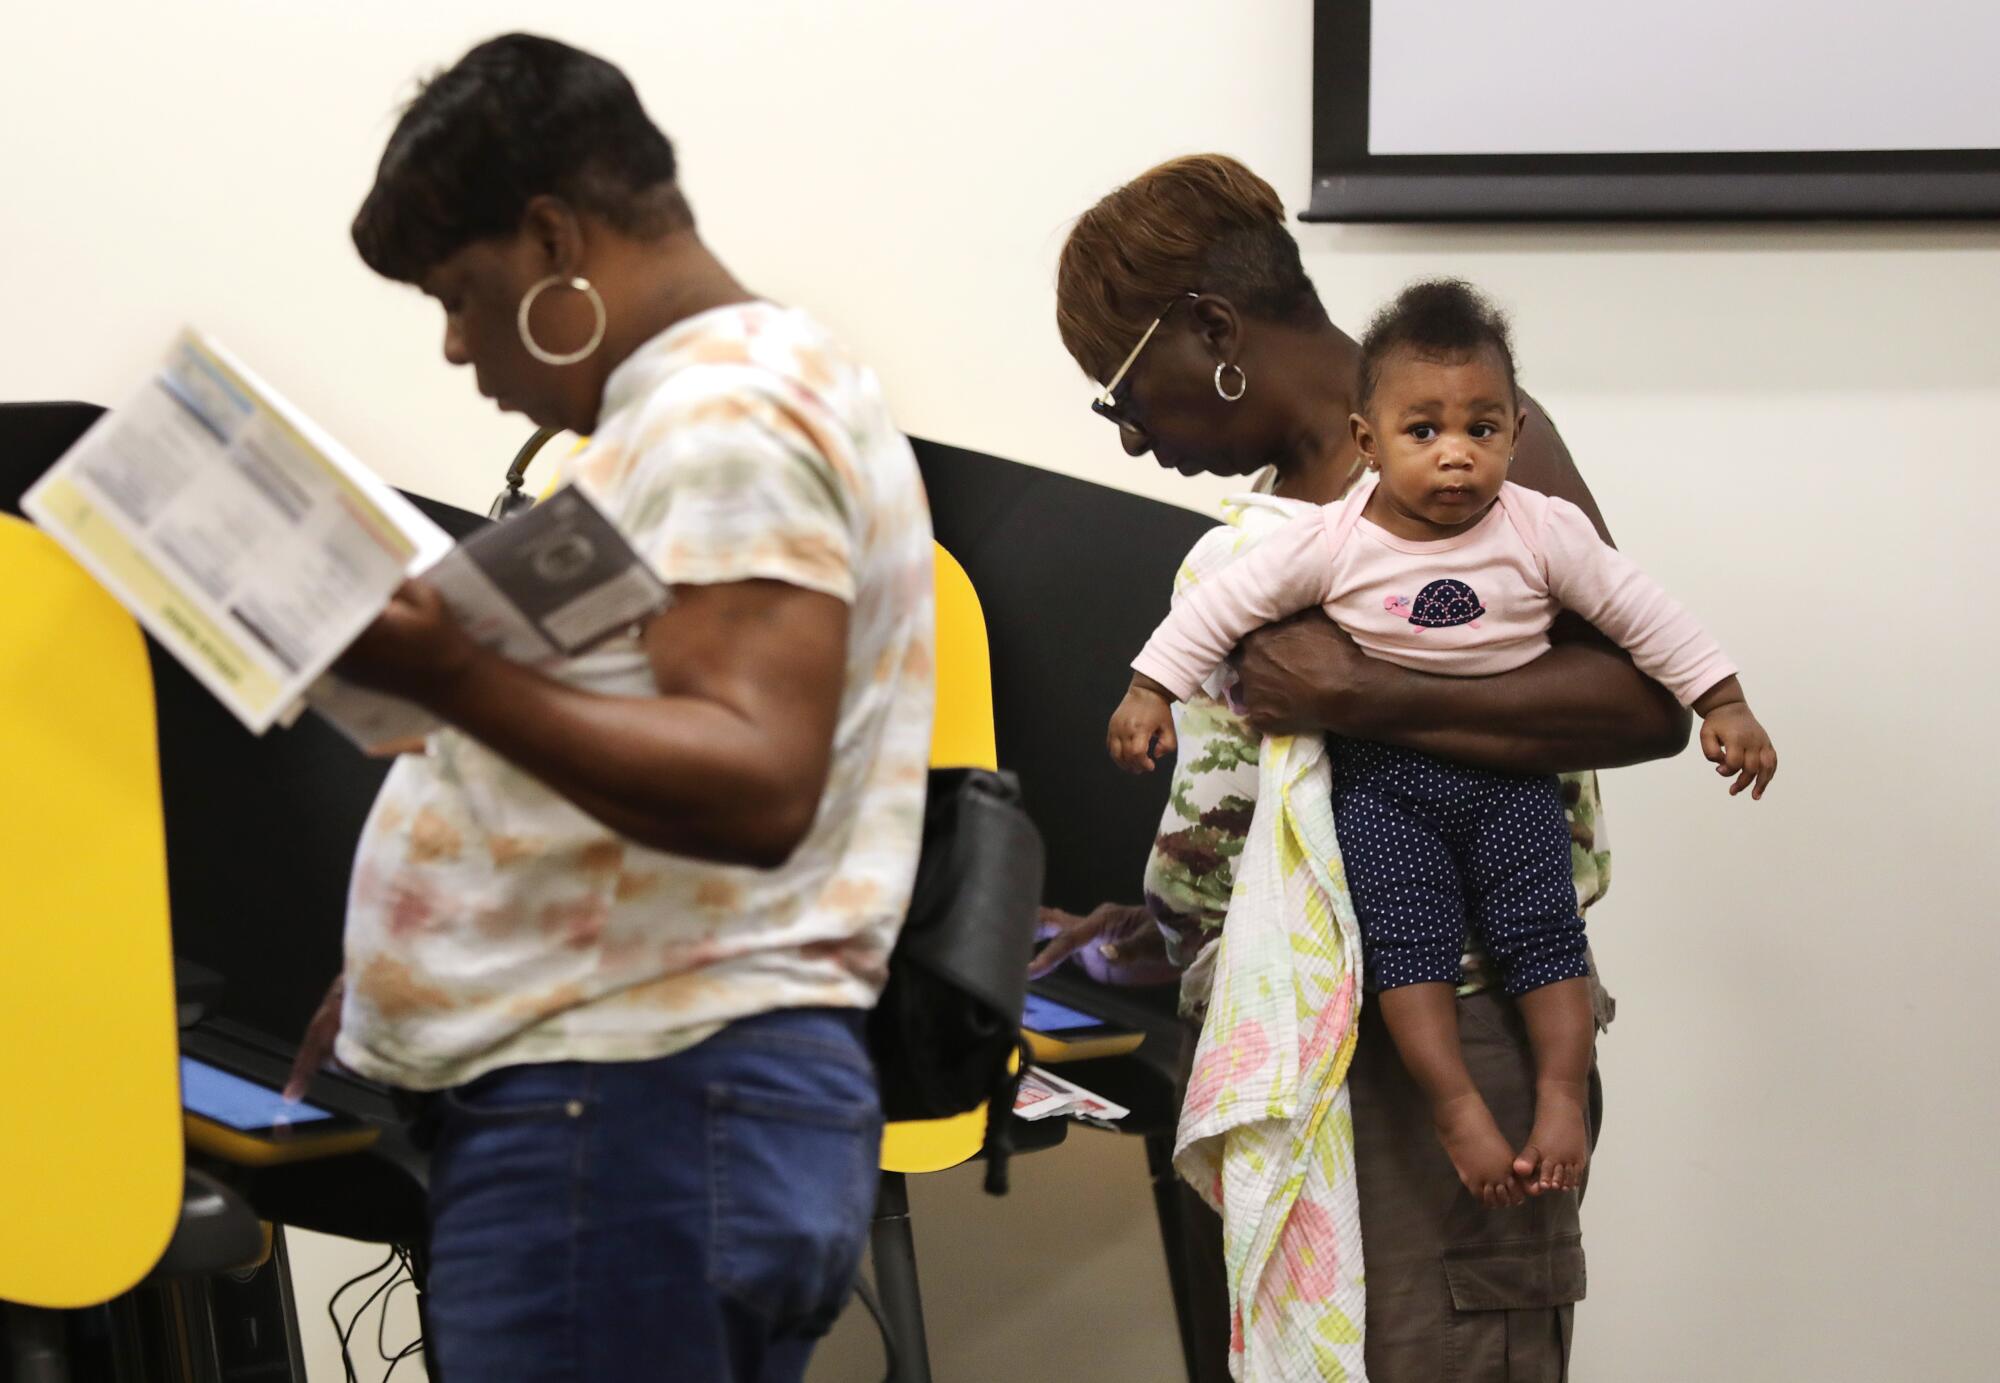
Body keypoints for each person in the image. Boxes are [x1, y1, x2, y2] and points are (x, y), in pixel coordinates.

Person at [282, 34, 934, 1383]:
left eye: (461, 296)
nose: (459, 348)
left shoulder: (724, 414)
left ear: (552, 237)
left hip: (632, 1114)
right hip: (638, 1110)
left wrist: (446, 671)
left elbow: (755, 776)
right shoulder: (707, 406)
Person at [1045, 153, 1690, 1381]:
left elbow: (1646, 697)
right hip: (1302, 1036)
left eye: (1124, 396)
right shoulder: (1283, 517)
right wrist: (1165, 924)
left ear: (1215, 329)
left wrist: (1362, 690)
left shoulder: (1462, 454)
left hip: (1448, 1030)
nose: (1134, 442)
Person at [1109, 277, 1774, 1208]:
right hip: (1383, 786)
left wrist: (1726, 702)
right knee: (1405, 949)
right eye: (1425, 432)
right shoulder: (1333, 538)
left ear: (1513, 431)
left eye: (1483, 429)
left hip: (1508, 778)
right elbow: (1226, 608)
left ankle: (1556, 1099)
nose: (1456, 456)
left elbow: (1642, 612)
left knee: (1545, 934)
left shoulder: (1542, 529)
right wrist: (1151, 689)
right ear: (1368, 442)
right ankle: (1456, 1104)